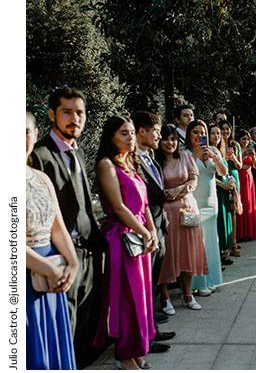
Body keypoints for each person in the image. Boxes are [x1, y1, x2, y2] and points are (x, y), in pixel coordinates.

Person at [31, 88, 105, 368]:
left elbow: (84, 203)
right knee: (67, 328)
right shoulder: (39, 155)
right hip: (60, 256)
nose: (75, 118)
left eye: (80, 112)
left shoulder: (78, 151)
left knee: (85, 325)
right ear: (52, 114)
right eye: (67, 112)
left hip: (88, 253)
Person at [93, 115, 157, 370]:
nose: (130, 137)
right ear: (111, 137)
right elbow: (119, 208)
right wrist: (143, 231)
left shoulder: (132, 162)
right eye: (124, 133)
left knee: (141, 295)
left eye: (131, 133)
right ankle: (124, 353)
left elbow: (145, 204)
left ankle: (138, 347)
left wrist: (151, 230)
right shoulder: (106, 165)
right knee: (127, 296)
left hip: (140, 236)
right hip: (122, 237)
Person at [26, 112, 79, 370]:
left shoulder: (41, 178)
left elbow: (58, 227)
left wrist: (72, 264)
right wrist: (49, 268)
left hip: (54, 277)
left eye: (26, 131)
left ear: (36, 134)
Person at [132, 111, 175, 352]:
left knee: (152, 280)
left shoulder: (151, 157)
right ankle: (145, 335)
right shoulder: (133, 160)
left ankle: (150, 328)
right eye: (156, 131)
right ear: (142, 132)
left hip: (159, 223)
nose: (159, 136)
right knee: (144, 282)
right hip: (145, 227)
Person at [156, 124, 209, 312]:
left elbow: (193, 179)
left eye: (173, 139)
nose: (170, 143)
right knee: (167, 255)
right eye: (165, 139)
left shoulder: (185, 156)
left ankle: (188, 294)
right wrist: (166, 193)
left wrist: (178, 189)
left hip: (187, 209)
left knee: (188, 253)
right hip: (166, 213)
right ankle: (165, 297)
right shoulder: (155, 162)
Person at [185, 120, 227, 297]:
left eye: (202, 132)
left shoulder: (214, 151)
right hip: (195, 203)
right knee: (197, 244)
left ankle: (211, 279)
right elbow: (184, 174)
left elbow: (223, 173)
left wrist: (215, 157)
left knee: (211, 242)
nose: (199, 136)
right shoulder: (185, 153)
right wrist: (195, 156)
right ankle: (198, 283)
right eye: (195, 132)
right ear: (189, 135)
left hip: (212, 203)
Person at [210, 124, 235, 264]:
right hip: (217, 189)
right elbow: (209, 174)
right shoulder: (208, 151)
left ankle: (225, 251)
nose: (216, 136)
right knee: (219, 221)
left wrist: (230, 183)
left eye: (218, 133)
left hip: (225, 189)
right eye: (213, 133)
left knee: (226, 219)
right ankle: (218, 254)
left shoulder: (222, 149)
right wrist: (223, 185)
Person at [218, 120, 243, 257]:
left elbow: (240, 166)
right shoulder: (216, 145)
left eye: (228, 129)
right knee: (223, 211)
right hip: (221, 178)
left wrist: (233, 158)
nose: (226, 131)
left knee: (233, 211)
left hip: (233, 178)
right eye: (223, 129)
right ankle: (224, 245)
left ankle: (233, 243)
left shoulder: (235, 145)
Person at [237, 130, 256, 241]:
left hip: (249, 177)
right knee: (242, 202)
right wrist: (242, 155)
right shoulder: (237, 150)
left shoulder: (251, 149)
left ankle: (249, 232)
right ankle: (241, 233)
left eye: (247, 139)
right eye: (243, 139)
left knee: (250, 203)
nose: (245, 141)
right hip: (240, 177)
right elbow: (236, 165)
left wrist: (254, 156)